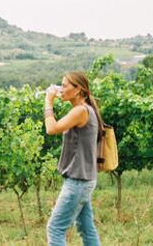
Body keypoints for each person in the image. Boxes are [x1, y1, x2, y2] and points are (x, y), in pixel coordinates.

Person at [44, 71, 103, 246]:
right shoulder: (84, 110)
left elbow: (51, 128)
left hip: (78, 182)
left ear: (78, 90)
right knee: (86, 228)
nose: (60, 89)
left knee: (55, 229)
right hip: (84, 180)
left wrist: (48, 101)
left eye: (64, 85)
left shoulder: (80, 111)